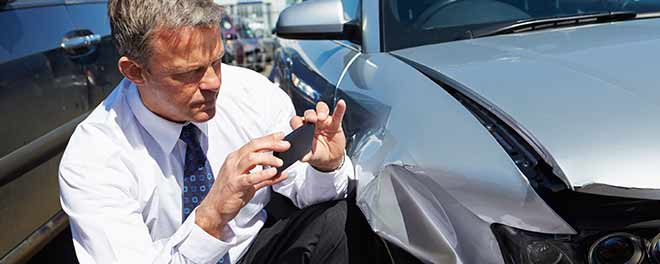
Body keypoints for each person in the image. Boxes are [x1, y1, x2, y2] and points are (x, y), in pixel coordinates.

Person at [58, 0, 354, 263]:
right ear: (135, 72)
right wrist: (210, 217)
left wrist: (325, 167)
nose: (214, 83)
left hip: (250, 251)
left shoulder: (252, 94)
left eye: (217, 61)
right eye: (189, 73)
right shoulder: (95, 156)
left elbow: (302, 190)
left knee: (330, 219)